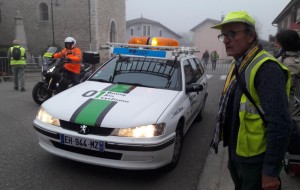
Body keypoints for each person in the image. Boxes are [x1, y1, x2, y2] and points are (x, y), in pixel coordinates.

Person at [210, 11, 292, 190]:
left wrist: (270, 170)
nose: (226, 40)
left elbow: (280, 123)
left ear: (251, 36)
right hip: (239, 153)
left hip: (256, 160)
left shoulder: (267, 69)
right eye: (224, 34)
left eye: (232, 33)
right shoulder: (238, 63)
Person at [276, 29, 300, 116]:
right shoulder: (284, 57)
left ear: (285, 44)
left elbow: (287, 88)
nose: (275, 45)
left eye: (278, 42)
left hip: (282, 105)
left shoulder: (291, 63)